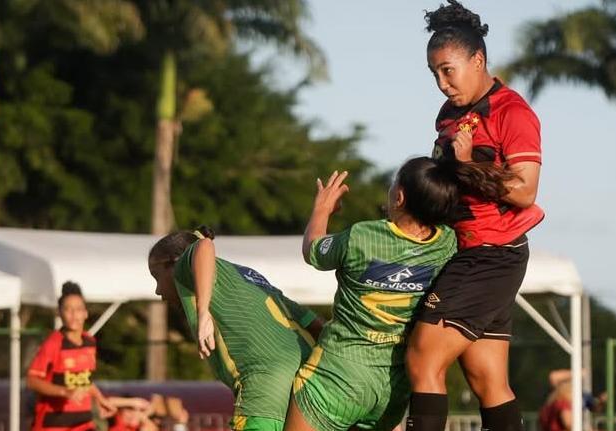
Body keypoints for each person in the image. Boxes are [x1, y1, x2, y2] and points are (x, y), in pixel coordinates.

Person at [405, 2, 545, 431]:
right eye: (434, 74)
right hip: (466, 250)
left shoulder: (513, 113)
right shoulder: (449, 116)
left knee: (422, 355)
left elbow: (524, 190)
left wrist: (466, 165)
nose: (442, 84)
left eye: (449, 70)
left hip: (492, 253)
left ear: (478, 60)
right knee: (488, 379)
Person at [284, 158, 460, 431]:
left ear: (399, 197)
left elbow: (314, 250)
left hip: (336, 380)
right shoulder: (448, 245)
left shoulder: (361, 236)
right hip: (392, 392)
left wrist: (322, 209)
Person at [148, 226, 324, 431]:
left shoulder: (184, 269)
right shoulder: (247, 276)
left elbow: (202, 246)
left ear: (173, 263)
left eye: (156, 276)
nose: (158, 290)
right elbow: (314, 324)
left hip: (265, 384)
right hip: (309, 381)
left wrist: (203, 312)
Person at [27, 282, 116, 431]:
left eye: (78, 309)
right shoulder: (53, 344)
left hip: (83, 423)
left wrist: (100, 399)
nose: (74, 315)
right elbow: (32, 380)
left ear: (86, 313)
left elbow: (85, 381)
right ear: (60, 313)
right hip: (54, 424)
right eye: (68, 309)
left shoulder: (89, 342)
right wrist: (64, 392)